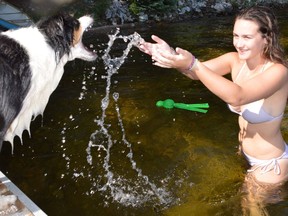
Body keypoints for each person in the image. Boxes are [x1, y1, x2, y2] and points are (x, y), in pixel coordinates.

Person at [139, 5, 288, 186]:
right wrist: (172, 57)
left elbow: (238, 97)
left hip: (269, 165)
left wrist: (194, 63)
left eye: (247, 37)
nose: (238, 43)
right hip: (243, 153)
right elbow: (195, 73)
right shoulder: (234, 60)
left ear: (267, 38)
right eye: (236, 35)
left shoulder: (279, 72)